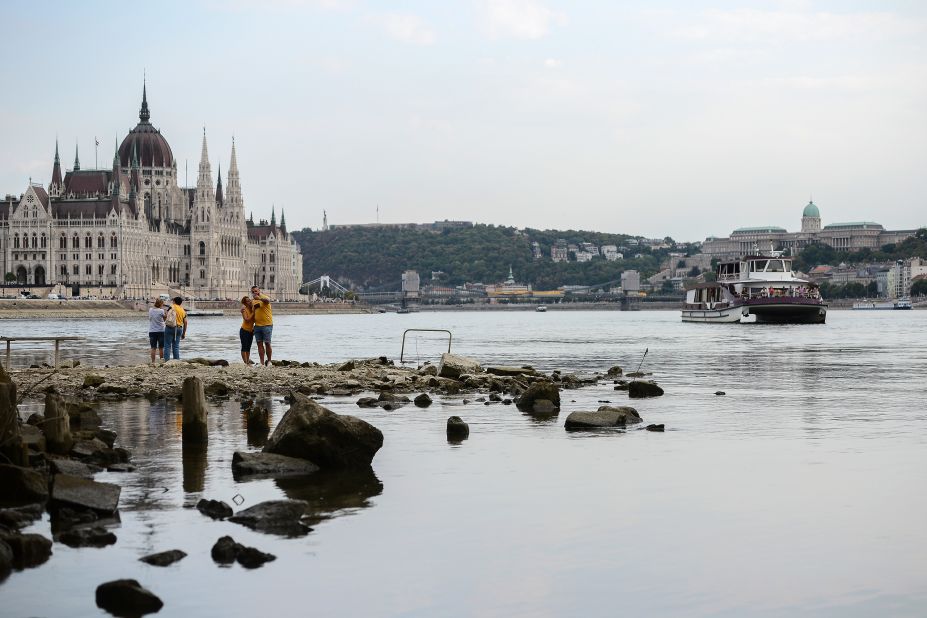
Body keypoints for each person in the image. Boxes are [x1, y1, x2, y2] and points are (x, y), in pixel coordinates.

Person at [251, 286, 273, 366]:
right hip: (257, 326)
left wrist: (259, 298)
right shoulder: (253, 301)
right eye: (253, 292)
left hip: (267, 324)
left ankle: (269, 361)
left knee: (267, 343)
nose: (254, 293)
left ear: (259, 291)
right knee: (259, 344)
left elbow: (267, 301)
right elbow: (253, 313)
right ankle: (262, 363)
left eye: (256, 291)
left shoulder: (264, 297)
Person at [164, 296, 188, 361]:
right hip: (179, 328)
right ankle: (176, 361)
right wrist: (184, 333)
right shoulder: (183, 310)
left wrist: (165, 321)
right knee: (176, 346)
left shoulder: (172, 307)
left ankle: (167, 361)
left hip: (170, 327)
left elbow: (166, 316)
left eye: (173, 301)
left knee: (167, 345)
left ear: (174, 301)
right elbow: (185, 322)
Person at [148, 298, 166, 364]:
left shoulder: (150, 310)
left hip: (152, 331)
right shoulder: (161, 311)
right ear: (161, 304)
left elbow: (150, 318)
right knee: (161, 348)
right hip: (161, 331)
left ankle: (153, 362)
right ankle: (161, 361)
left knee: (153, 348)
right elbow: (165, 320)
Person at [239, 295, 255, 365]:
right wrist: (253, 313)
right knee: (244, 346)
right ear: (245, 303)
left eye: (249, 300)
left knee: (248, 347)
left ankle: (248, 361)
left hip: (251, 331)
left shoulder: (252, 308)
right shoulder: (244, 309)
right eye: (247, 301)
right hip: (244, 330)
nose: (249, 302)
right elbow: (247, 319)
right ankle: (245, 362)